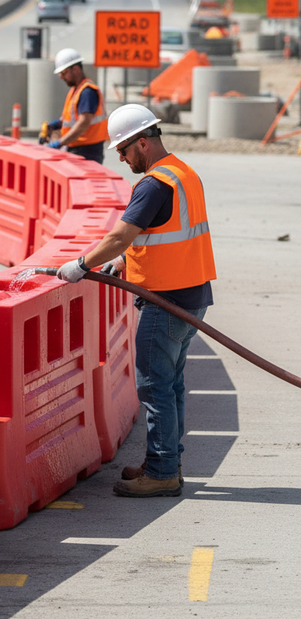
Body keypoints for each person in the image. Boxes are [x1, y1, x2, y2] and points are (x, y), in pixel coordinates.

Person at [54, 104, 216, 498]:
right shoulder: (183, 173)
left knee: (154, 385)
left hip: (167, 300)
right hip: (192, 295)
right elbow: (164, 232)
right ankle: (165, 462)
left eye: (124, 151)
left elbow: (119, 236)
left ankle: (161, 472)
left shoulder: (154, 183)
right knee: (171, 384)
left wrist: (81, 264)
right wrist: (127, 262)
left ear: (143, 143)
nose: (123, 159)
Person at [45, 47, 108, 165]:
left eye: (64, 73)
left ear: (76, 69)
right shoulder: (76, 90)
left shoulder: (87, 92)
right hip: (79, 148)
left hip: (88, 151)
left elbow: (84, 122)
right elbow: (72, 119)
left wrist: (60, 142)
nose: (61, 77)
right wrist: (58, 124)